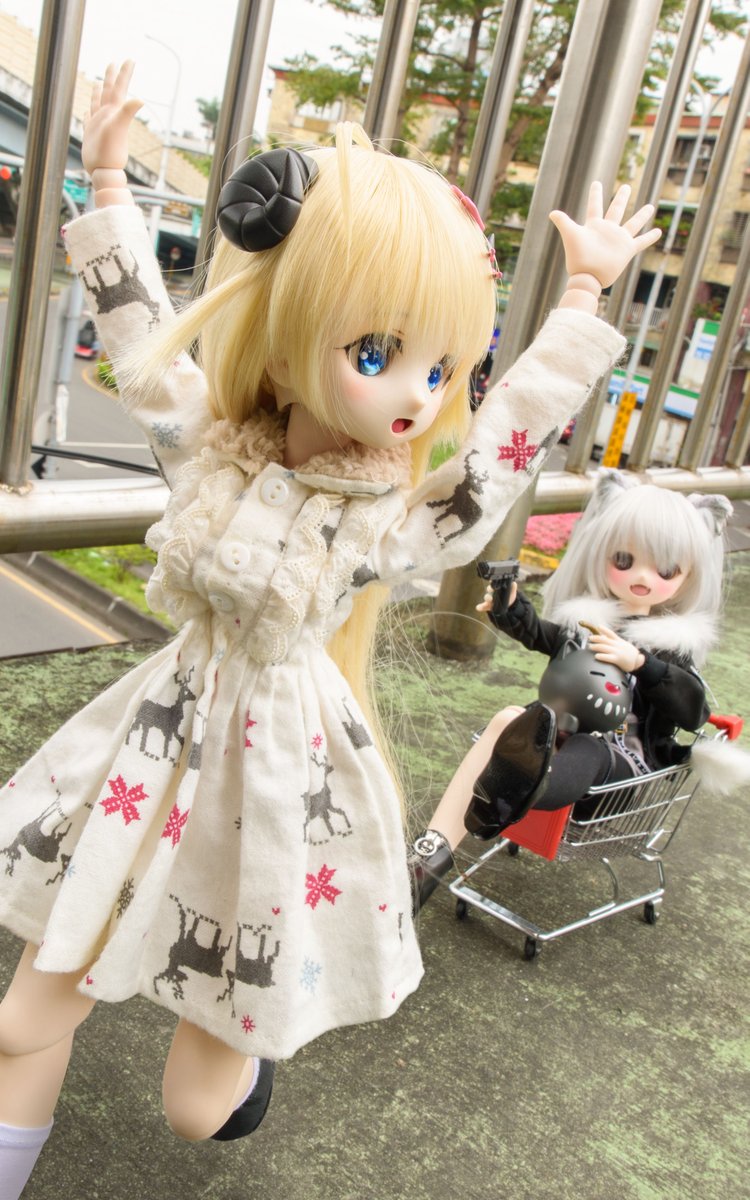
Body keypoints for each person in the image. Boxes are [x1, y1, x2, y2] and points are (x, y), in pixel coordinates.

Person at [0, 61, 660, 1196]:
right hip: (160, 737)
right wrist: (107, 183)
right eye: (376, 355)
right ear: (286, 330)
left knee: (198, 1109)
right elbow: (145, 348)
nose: (414, 395)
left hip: (280, 770)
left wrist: (583, 305)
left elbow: (498, 448)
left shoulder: (390, 519)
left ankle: (246, 1057)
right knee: (25, 1017)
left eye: (439, 368)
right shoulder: (215, 452)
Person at [412, 470, 738, 901]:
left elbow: (692, 711)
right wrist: (510, 607)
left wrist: (641, 664)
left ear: (688, 574)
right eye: (624, 561)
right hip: (557, 737)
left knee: (587, 748)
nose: (642, 577)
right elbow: (541, 635)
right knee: (511, 718)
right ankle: (431, 854)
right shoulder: (588, 624)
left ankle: (525, 787)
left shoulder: (671, 647)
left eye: (665, 569)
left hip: (616, 769)